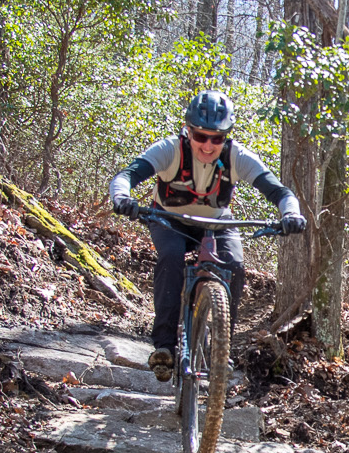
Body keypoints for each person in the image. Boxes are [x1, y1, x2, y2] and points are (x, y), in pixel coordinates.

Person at [108, 91, 306, 381]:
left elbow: (280, 193)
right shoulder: (169, 149)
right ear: (189, 131)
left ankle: (219, 351)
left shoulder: (237, 156)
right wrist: (122, 197)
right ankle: (164, 346)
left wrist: (290, 214)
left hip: (215, 222)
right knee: (171, 257)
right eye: (201, 136)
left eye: (217, 138)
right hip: (168, 218)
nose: (209, 145)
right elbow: (126, 176)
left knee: (234, 267)